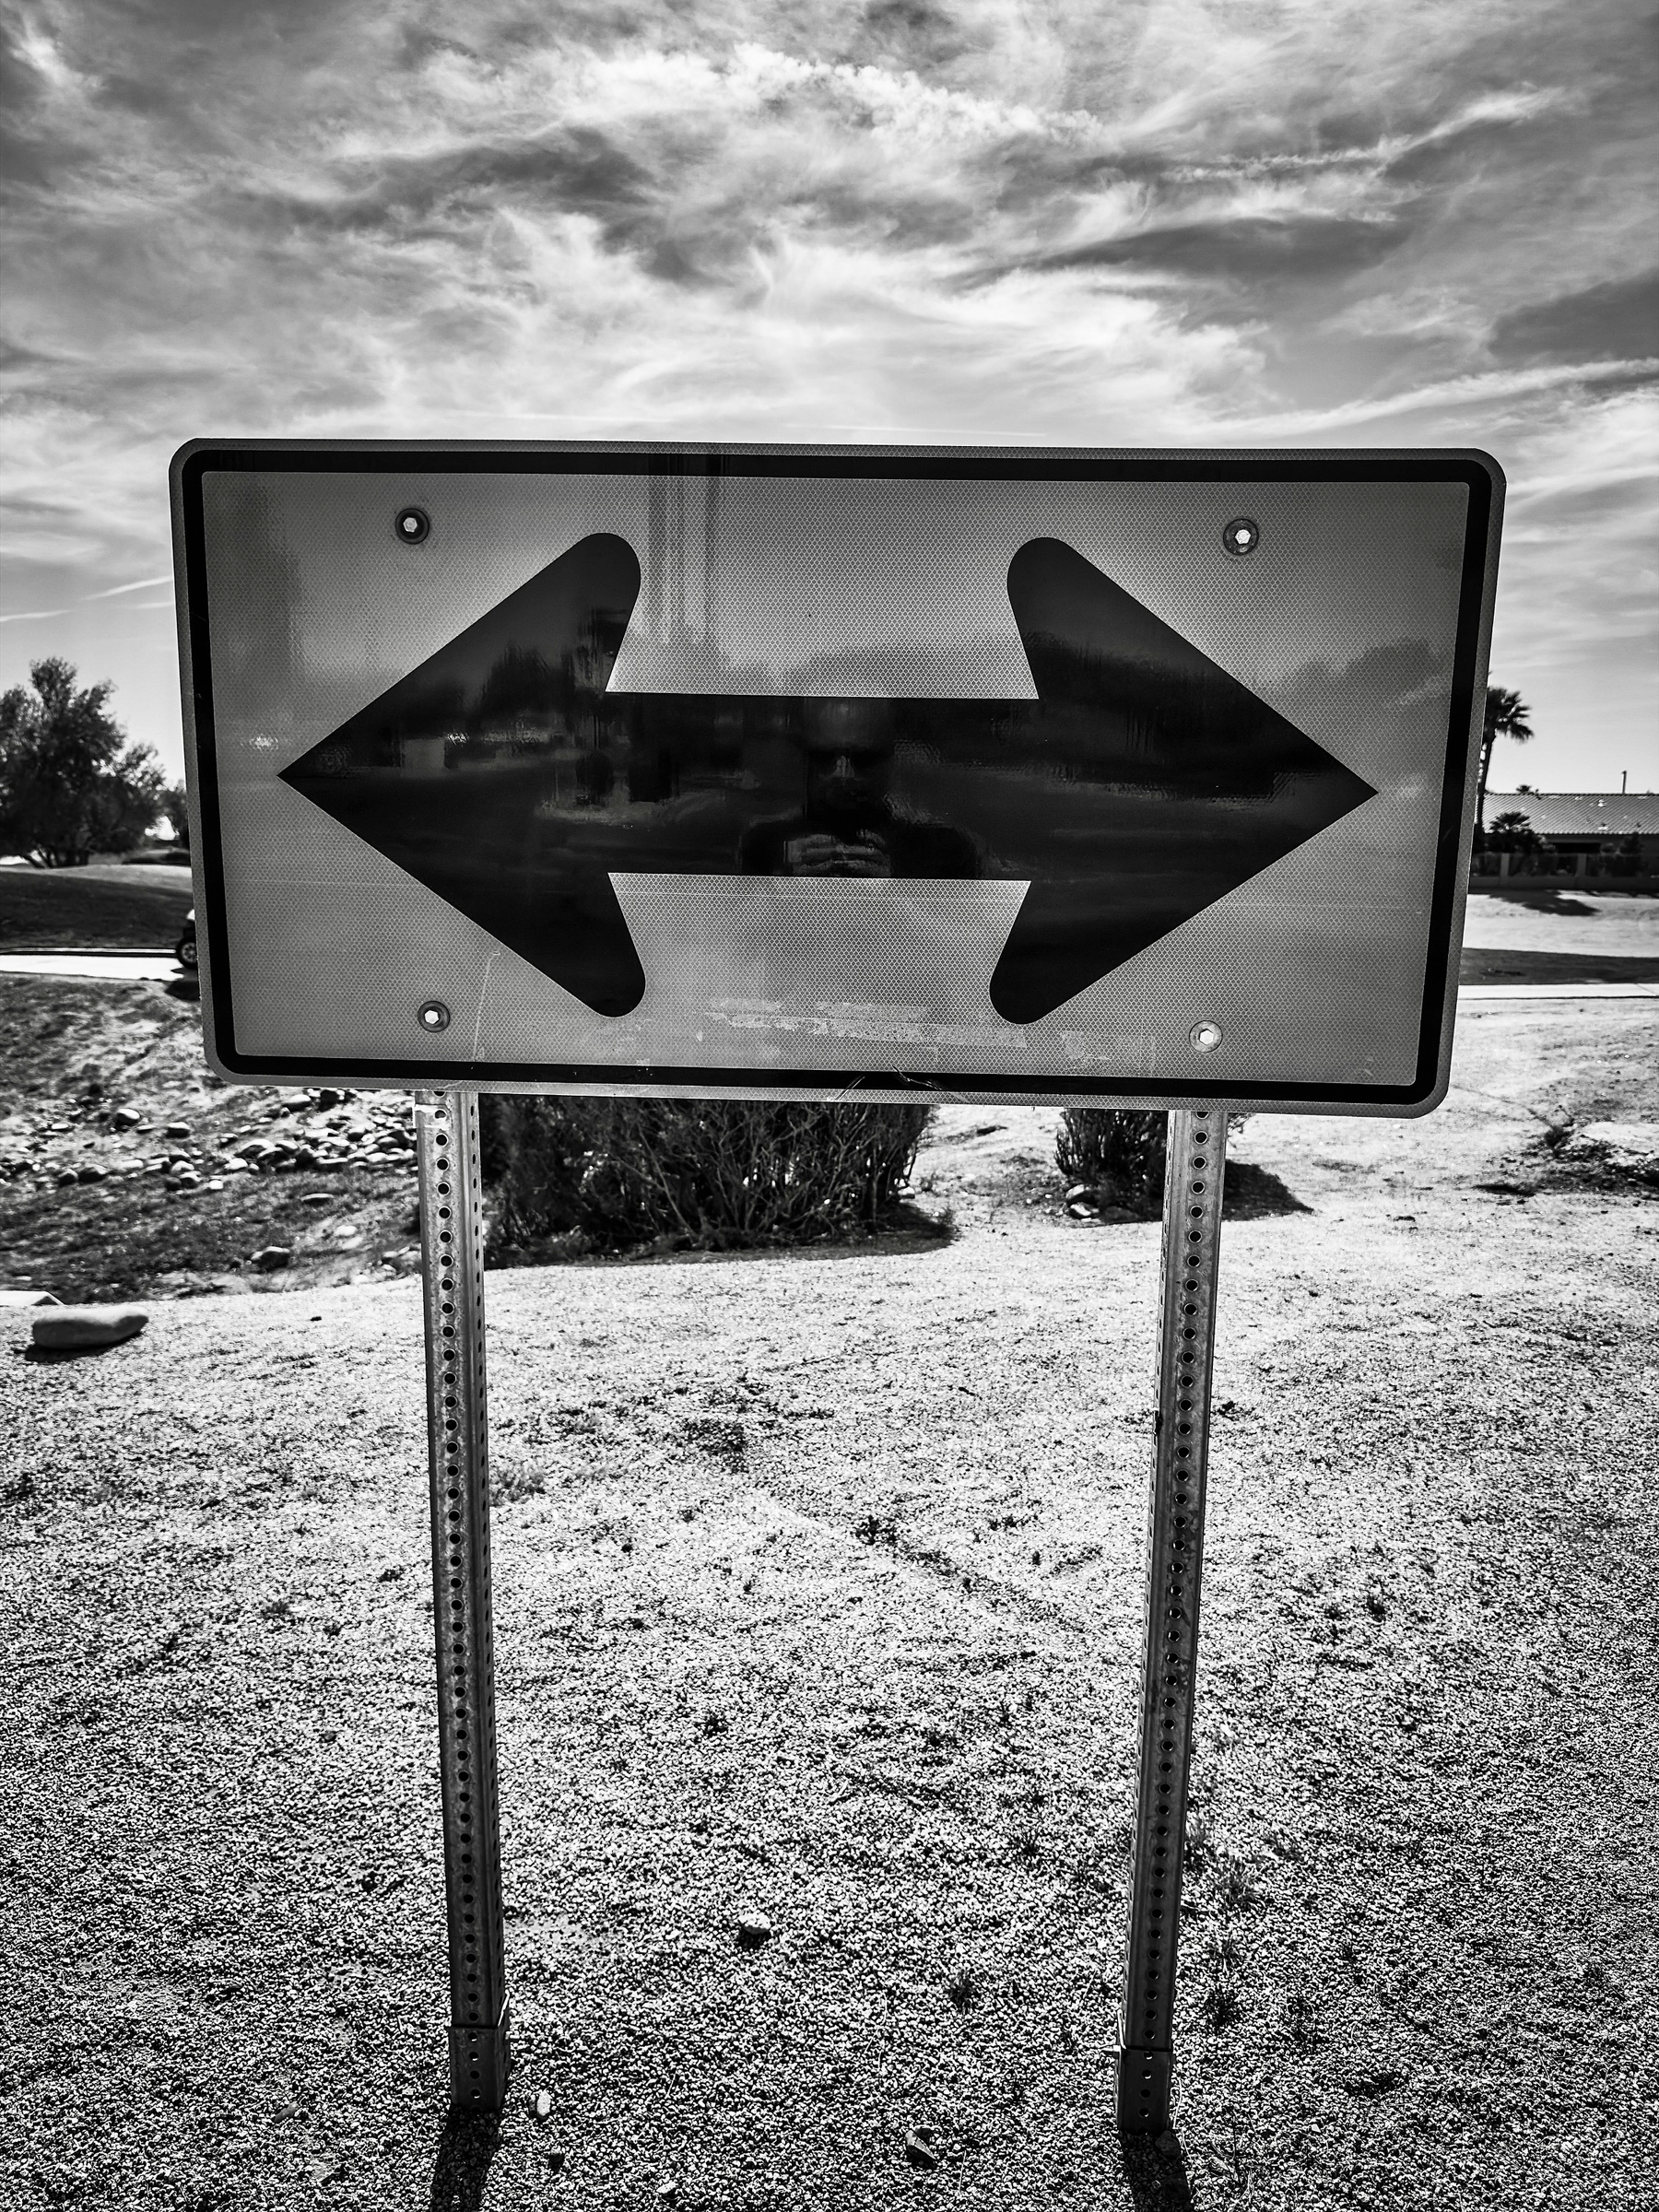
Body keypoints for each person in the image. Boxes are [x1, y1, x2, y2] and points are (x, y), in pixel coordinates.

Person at [736, 700, 982, 878]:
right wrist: (782, 890)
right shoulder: (764, 845)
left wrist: (897, 899)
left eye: (863, 759)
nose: (843, 774)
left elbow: (972, 942)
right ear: (806, 761)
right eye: (825, 758)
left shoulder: (944, 850)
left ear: (890, 761)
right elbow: (733, 939)